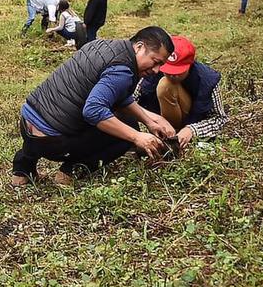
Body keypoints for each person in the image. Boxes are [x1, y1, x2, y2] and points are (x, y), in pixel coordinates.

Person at [10, 27, 177, 185]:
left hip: (27, 124)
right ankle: (71, 170)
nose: (156, 70)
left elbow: (119, 95)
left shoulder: (100, 45)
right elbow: (94, 111)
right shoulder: (123, 70)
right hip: (53, 141)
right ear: (139, 47)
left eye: (160, 65)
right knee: (126, 130)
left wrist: (149, 121)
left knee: (56, 113)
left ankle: (23, 170)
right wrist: (136, 137)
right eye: (155, 61)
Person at [135, 36, 226, 152]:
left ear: (190, 64)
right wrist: (150, 122)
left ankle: (175, 138)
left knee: (166, 85)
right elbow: (129, 101)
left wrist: (192, 130)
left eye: (179, 72)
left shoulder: (207, 79)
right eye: (168, 70)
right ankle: (168, 138)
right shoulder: (152, 70)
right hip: (161, 121)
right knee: (165, 85)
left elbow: (220, 118)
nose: (173, 75)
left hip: (192, 120)